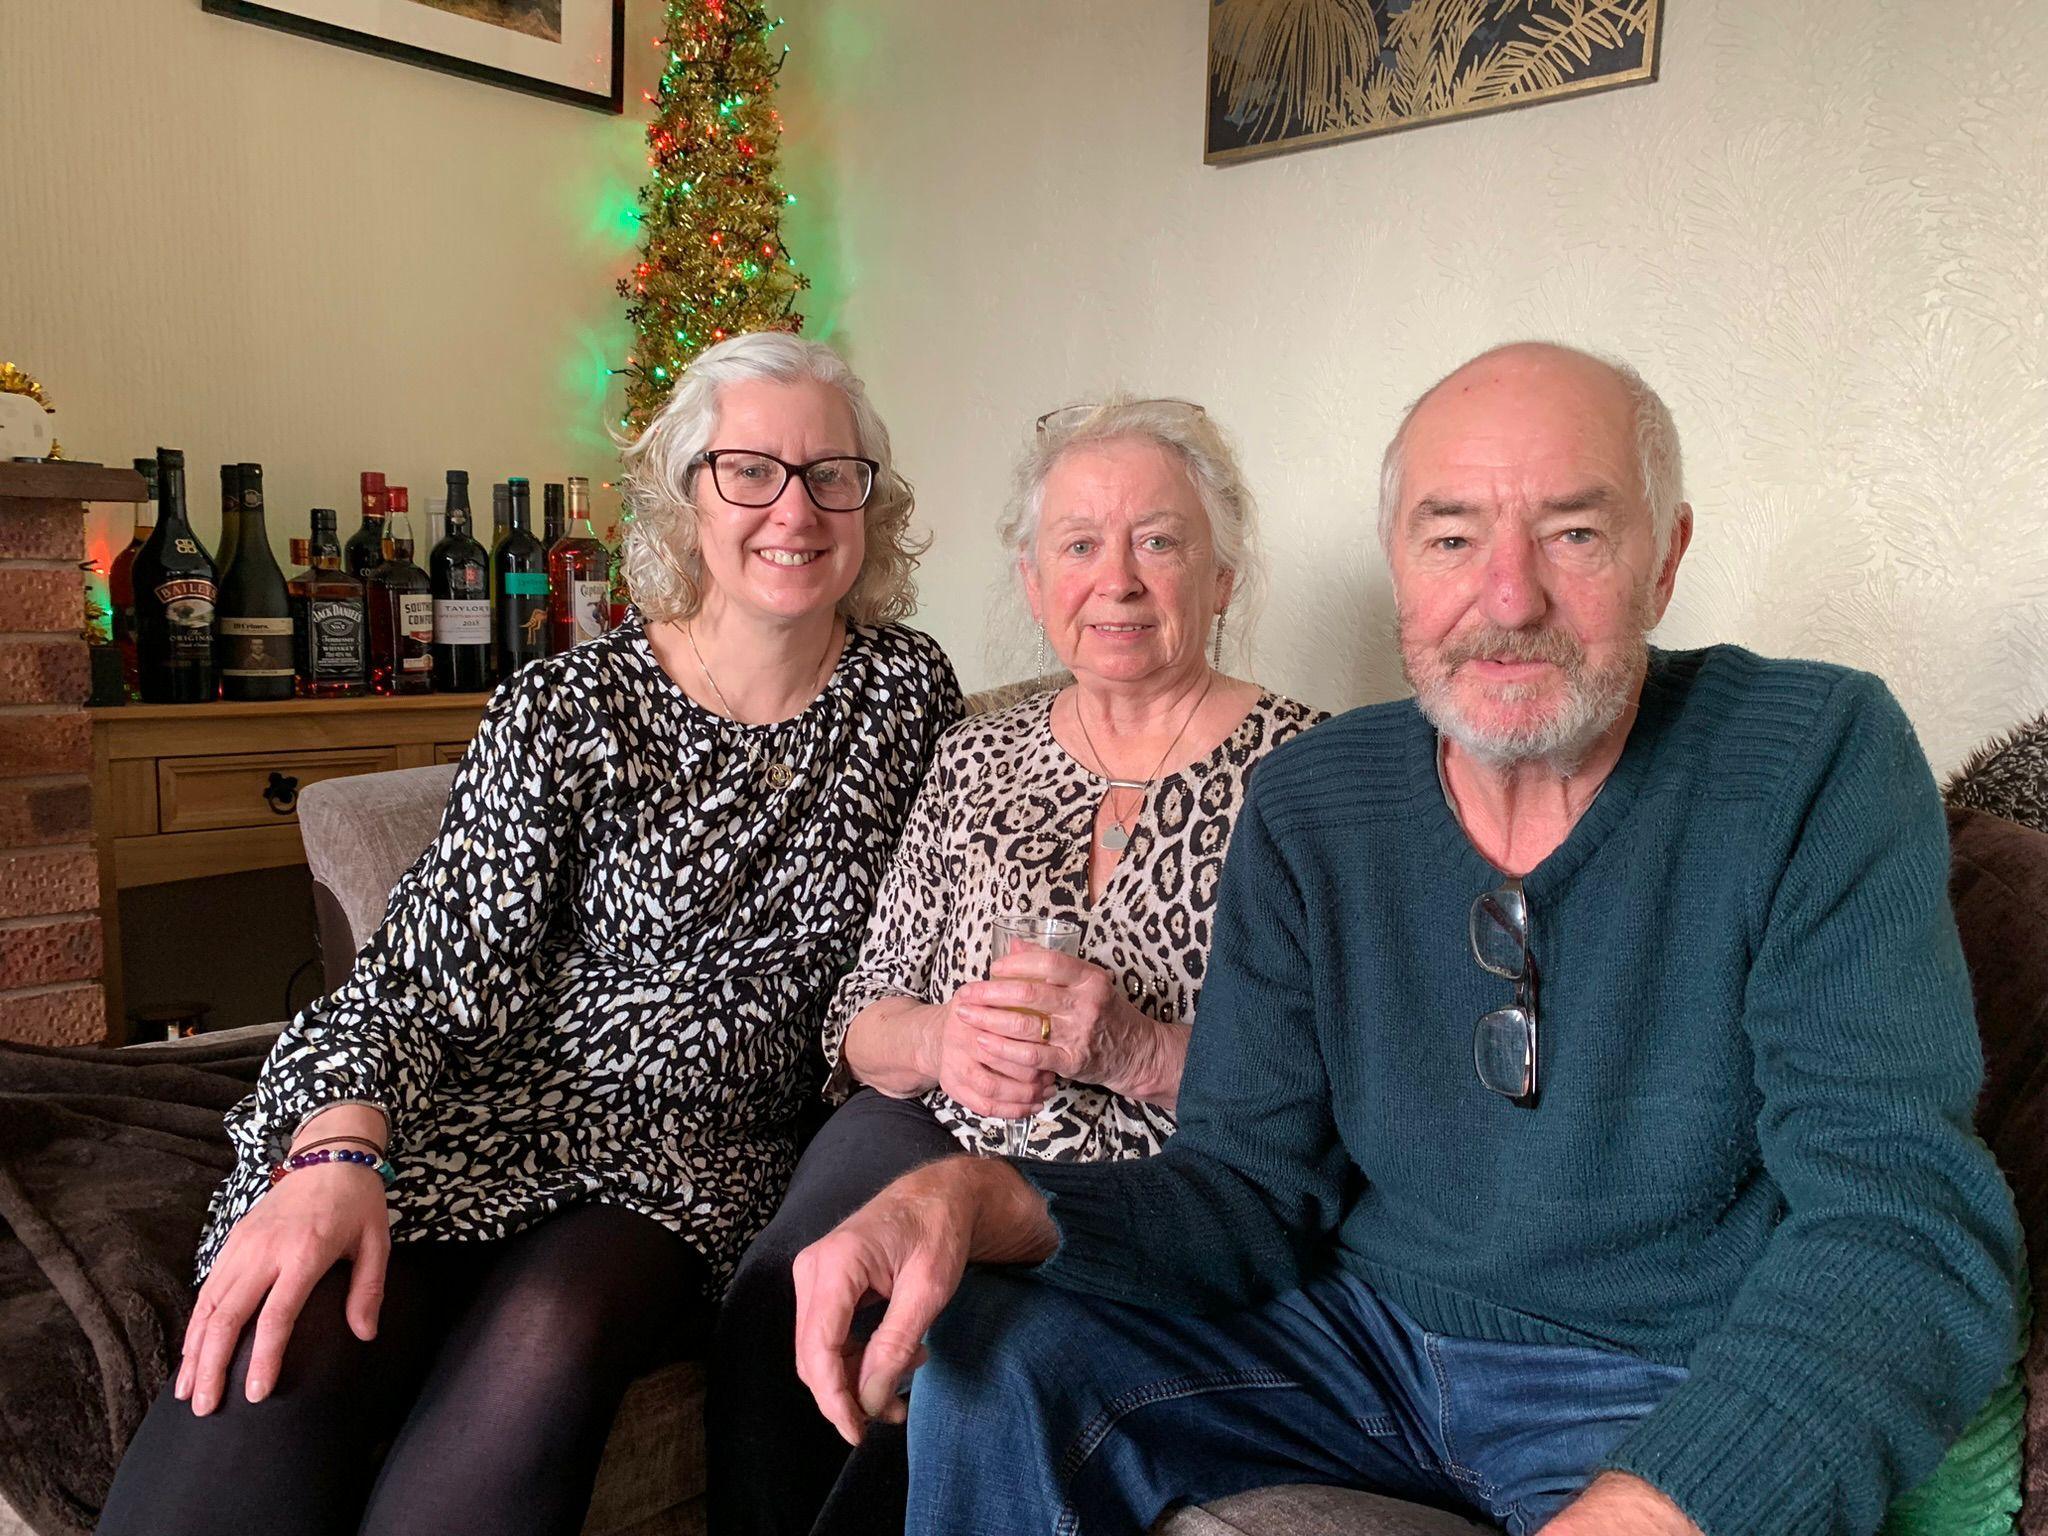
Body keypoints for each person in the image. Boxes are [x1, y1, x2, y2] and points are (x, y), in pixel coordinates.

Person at [790, 344, 2026, 1536]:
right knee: (996, 1349)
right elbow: (1238, 1194)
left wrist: (1650, 1508)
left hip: (1647, 1382)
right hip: (1352, 1350)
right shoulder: (1314, 798)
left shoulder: (1813, 757)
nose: (1507, 597)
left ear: (1665, 560)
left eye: (1574, 533)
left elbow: (1903, 1226)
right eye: (1450, 538)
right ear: (1398, 564)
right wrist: (977, 1194)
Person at [97, 331, 963, 1536]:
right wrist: (336, 1150)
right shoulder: (567, 706)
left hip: (688, 1161)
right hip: (488, 1105)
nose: (796, 508)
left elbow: (951, 899)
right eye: (749, 470)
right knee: (274, 1362)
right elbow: (424, 980)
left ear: (871, 500)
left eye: (832, 473)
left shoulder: (905, 693)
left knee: (544, 1343)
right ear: (684, 498)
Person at [706, 397, 1326, 1536]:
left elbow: (1340, 1085)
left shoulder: (1315, 776)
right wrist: (945, 1038)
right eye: (1080, 546)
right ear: (1035, 584)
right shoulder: (973, 754)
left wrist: (1137, 1052)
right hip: (944, 1133)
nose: (1119, 580)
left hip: (1161, 1193)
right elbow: (858, 1014)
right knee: (785, 1293)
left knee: (965, 1350)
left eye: (1159, 540)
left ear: (1223, 575)